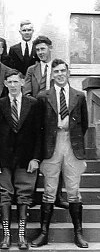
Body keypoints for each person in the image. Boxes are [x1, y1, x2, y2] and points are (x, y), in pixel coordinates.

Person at [31, 59, 89, 248]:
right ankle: (44, 233)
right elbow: (38, 127)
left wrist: (74, 142)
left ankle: (78, 234)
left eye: (63, 71)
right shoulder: (43, 96)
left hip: (71, 145)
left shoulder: (79, 96)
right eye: (56, 71)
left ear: (68, 72)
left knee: (73, 191)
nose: (60, 74)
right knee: (49, 191)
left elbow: (84, 124)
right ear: (52, 75)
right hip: (51, 145)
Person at [0, 70, 42, 250]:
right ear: (5, 84)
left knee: (24, 195)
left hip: (26, 158)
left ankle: (21, 237)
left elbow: (38, 134)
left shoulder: (33, 104)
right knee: (5, 194)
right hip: (3, 158)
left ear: (22, 83)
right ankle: (6, 236)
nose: (13, 85)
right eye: (9, 82)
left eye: (16, 82)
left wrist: (35, 158)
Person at [24, 36, 68, 209]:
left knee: (59, 157)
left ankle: (57, 195)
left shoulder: (59, 68)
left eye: (43, 49)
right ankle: (33, 194)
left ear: (50, 48)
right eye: (38, 50)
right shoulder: (31, 70)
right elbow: (27, 92)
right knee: (35, 155)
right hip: (37, 115)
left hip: (56, 119)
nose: (40, 53)